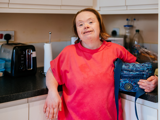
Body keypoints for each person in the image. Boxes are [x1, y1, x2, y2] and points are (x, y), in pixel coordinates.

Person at [43, 8, 158, 120]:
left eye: (90, 22)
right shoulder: (68, 52)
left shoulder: (116, 50)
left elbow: (140, 71)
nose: (86, 26)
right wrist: (52, 92)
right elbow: (51, 72)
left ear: (100, 26)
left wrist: (154, 80)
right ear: (77, 32)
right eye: (80, 24)